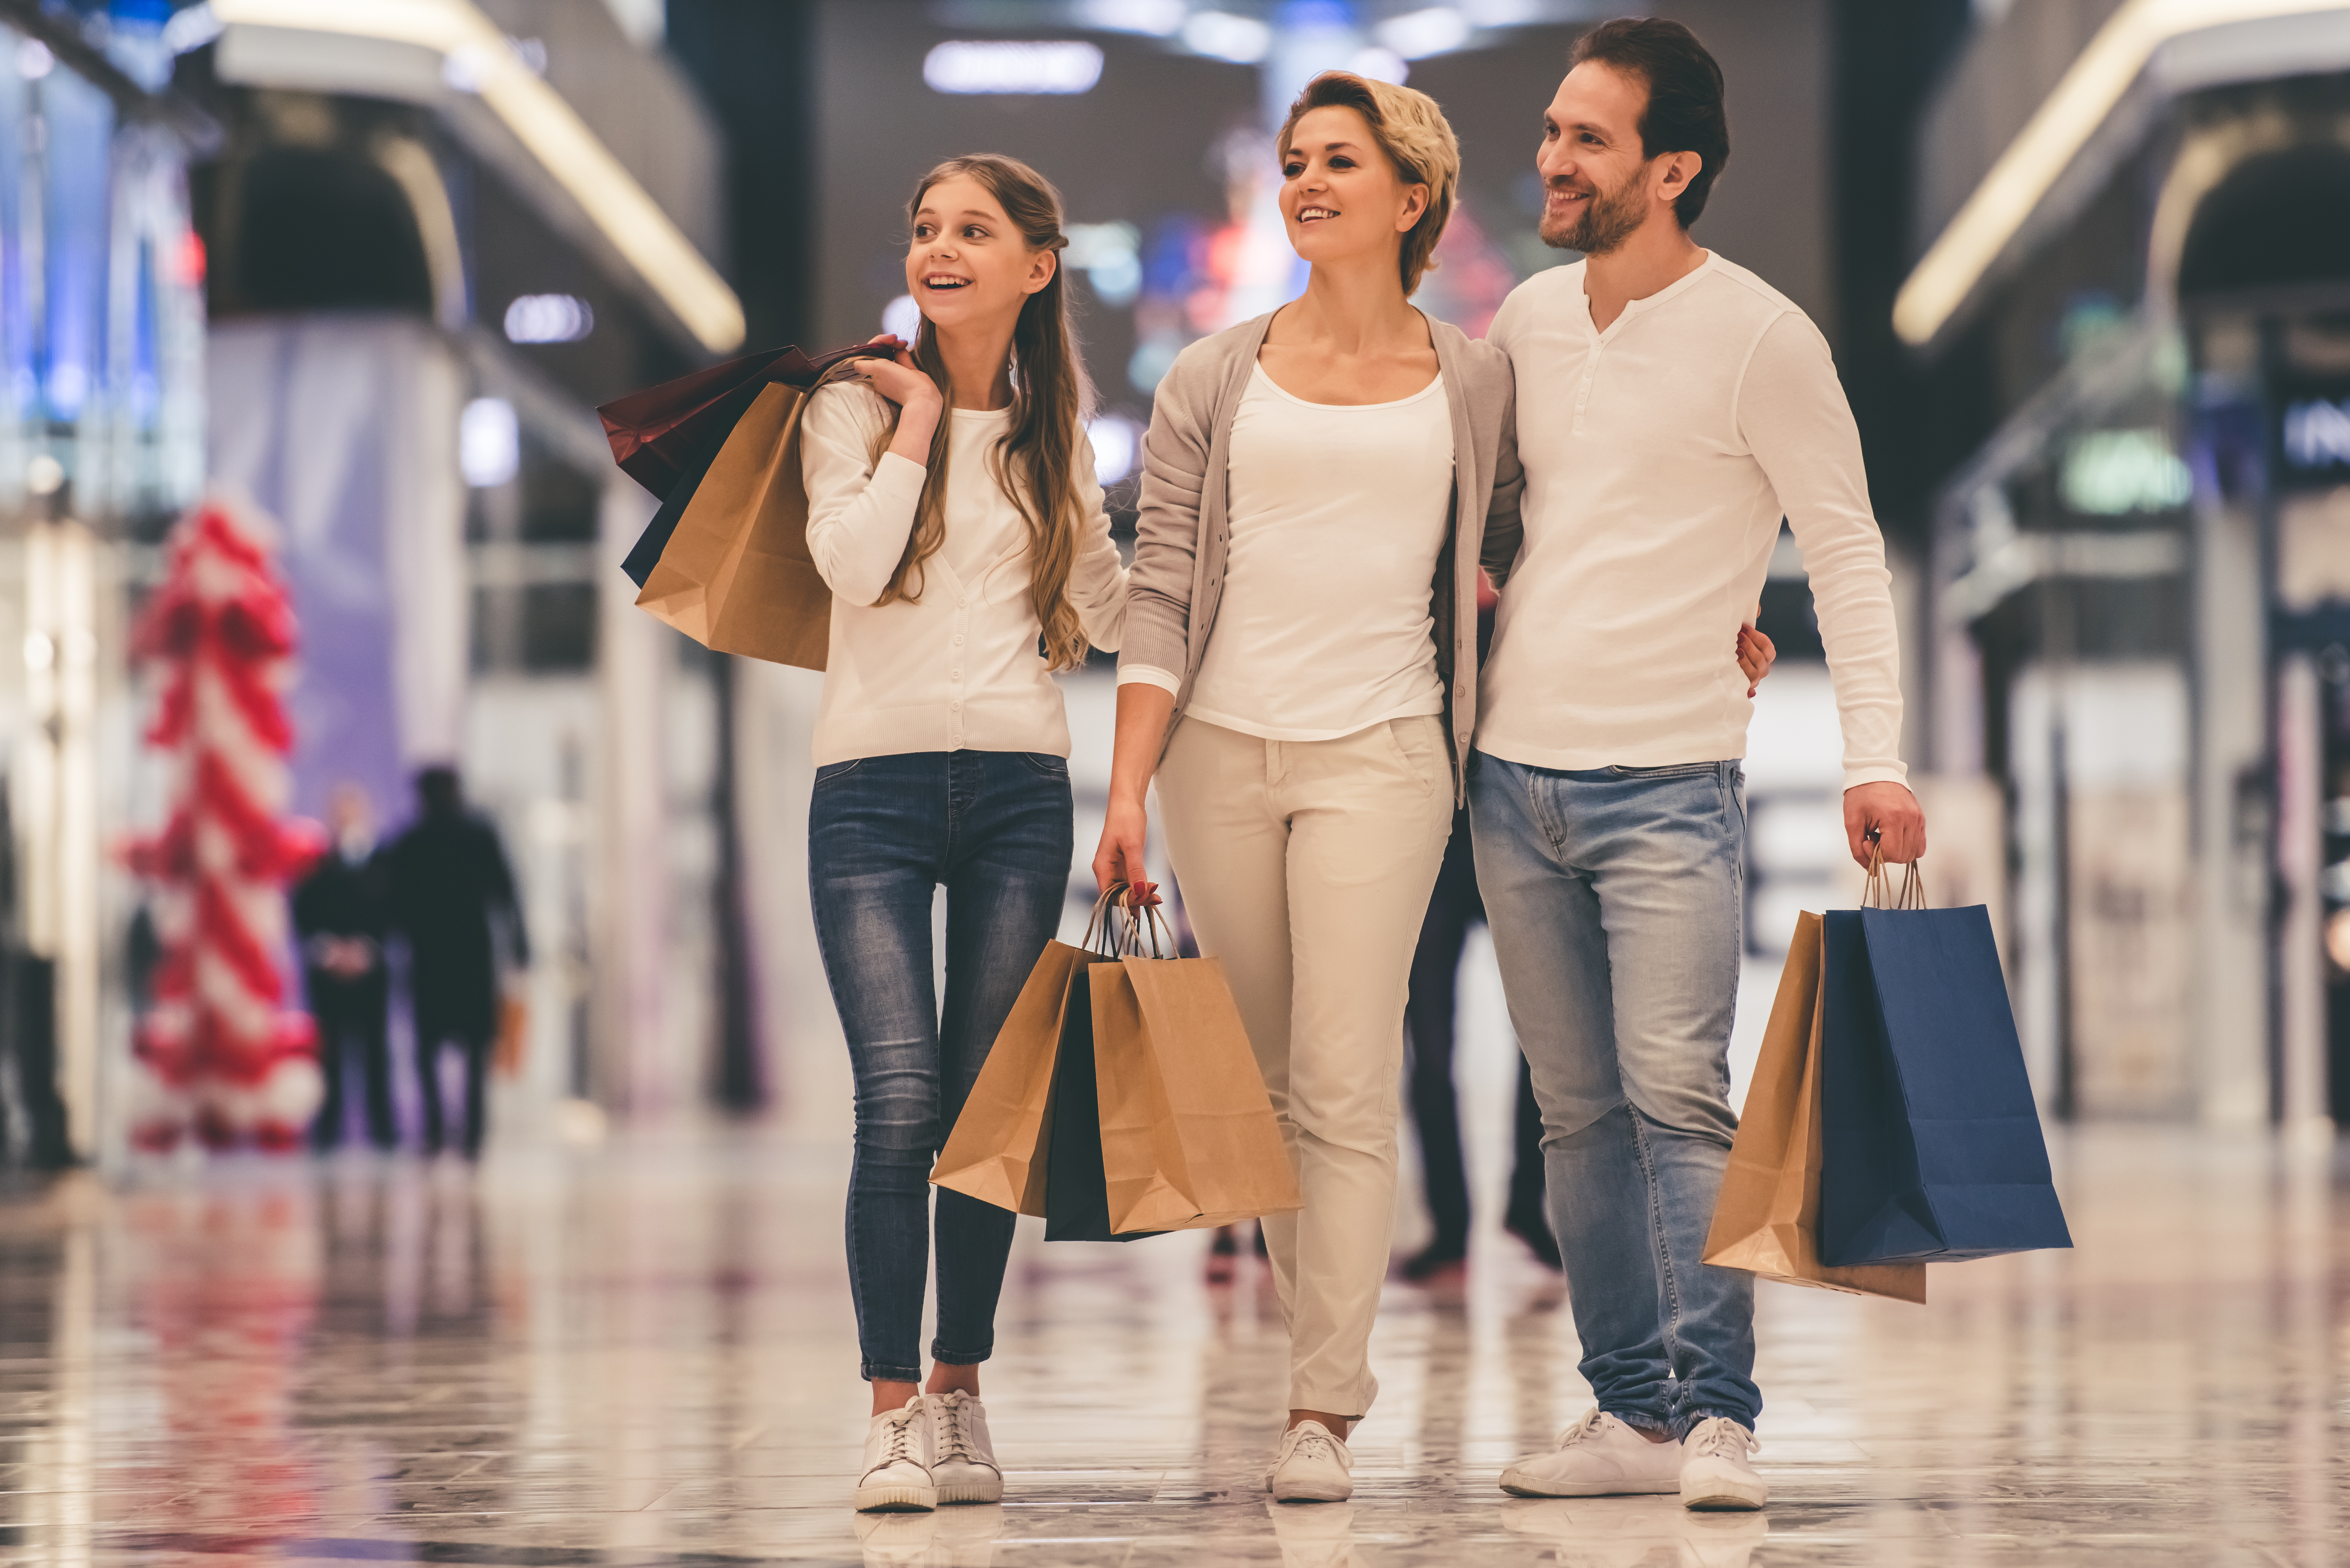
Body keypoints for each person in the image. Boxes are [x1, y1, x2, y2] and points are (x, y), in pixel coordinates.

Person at [1092, 72, 1773, 1506]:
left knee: (1346, 1076)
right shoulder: (1209, 375)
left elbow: (1557, 537)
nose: (1304, 182)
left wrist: (1709, 613)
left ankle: (1320, 1407)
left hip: (1391, 753)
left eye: (1336, 160)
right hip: (1219, 753)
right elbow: (1158, 591)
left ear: (1411, 196)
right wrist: (1127, 791)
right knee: (1274, 1088)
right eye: (1292, 161)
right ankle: (1312, 1358)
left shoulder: (1472, 378)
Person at [1475, 20, 1926, 1514]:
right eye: (1551, 128)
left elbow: (1849, 550)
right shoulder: (1526, 327)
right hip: (1509, 778)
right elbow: (1484, 531)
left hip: (1669, 778)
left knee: (1676, 1098)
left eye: (1585, 138)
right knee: (1574, 1113)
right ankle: (1628, 1413)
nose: (1549, 156)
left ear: (1670, 169)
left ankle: (1717, 1411)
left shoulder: (1762, 336)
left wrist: (1878, 755)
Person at [798, 153, 1127, 1515]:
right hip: (866, 790)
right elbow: (852, 566)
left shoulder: (1060, 438)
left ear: (1034, 266)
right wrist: (921, 419)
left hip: (1015, 787)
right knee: (899, 1104)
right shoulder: (850, 404)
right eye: (925, 226)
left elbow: (1113, 611)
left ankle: (959, 1394)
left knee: (984, 1120)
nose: (939, 247)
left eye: (972, 230)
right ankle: (887, 1414)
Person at [1401, 571, 1557, 1283]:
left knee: (1546, 1041)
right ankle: (1450, 1226)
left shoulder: (1535, 601)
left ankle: (1527, 1203)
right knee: (1429, 1052)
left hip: (1514, 838)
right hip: (1427, 848)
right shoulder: (1407, 605)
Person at [382, 767, 528, 1160]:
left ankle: (435, 1130)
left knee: (428, 1047)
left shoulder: (409, 841)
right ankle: (474, 1134)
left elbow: (390, 906)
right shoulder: (480, 835)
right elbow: (507, 894)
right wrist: (520, 947)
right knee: (477, 1046)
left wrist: (391, 943)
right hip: (472, 955)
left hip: (428, 956)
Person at [294, 782, 395, 1152]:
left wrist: (366, 949)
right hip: (328, 978)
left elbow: (393, 912)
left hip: (371, 974)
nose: (344, 817)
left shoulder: (383, 862)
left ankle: (384, 1132)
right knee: (330, 1057)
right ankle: (327, 1131)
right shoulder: (314, 865)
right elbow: (303, 914)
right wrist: (329, 950)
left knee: (375, 1055)